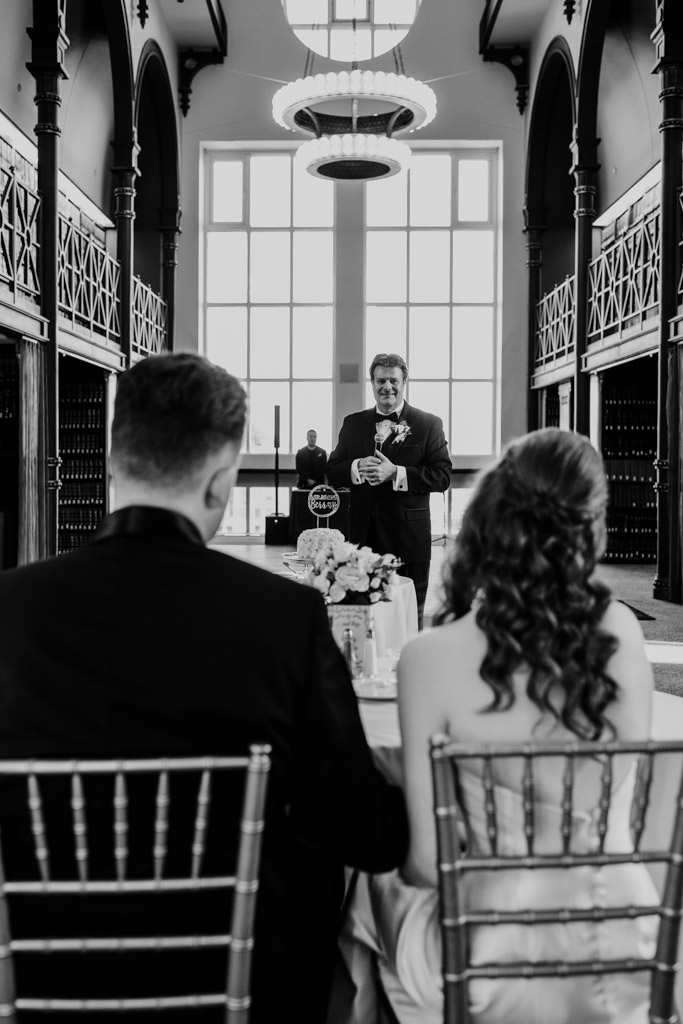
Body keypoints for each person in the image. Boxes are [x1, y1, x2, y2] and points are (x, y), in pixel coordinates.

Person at [0, 352, 408, 1024]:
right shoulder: (284, 620)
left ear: (111, 464)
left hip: (37, 973)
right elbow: (359, 831)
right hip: (243, 981)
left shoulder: (8, 613)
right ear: (220, 482)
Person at [340, 427, 657, 1024]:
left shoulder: (430, 656)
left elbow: (427, 865)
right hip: (622, 933)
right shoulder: (624, 633)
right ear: (590, 526)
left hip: (487, 948)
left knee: (364, 893)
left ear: (487, 521)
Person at [326, 353, 451, 628]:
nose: (387, 387)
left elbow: (442, 477)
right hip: (363, 541)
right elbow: (332, 470)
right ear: (372, 382)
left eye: (393, 380)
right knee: (365, 618)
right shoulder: (353, 423)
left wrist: (396, 472)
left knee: (408, 620)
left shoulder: (429, 424)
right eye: (381, 380)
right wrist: (357, 467)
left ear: (404, 381)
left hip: (409, 541)